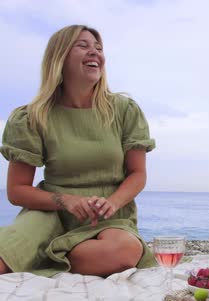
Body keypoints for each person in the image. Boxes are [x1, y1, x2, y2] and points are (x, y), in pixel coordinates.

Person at [0, 25, 157, 277]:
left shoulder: (124, 110)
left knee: (122, 253)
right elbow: (17, 190)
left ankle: (36, 258)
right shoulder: (32, 117)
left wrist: (112, 203)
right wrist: (67, 201)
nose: (94, 52)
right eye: (83, 45)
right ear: (59, 56)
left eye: (98, 48)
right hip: (49, 215)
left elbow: (138, 173)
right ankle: (32, 253)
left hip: (109, 219)